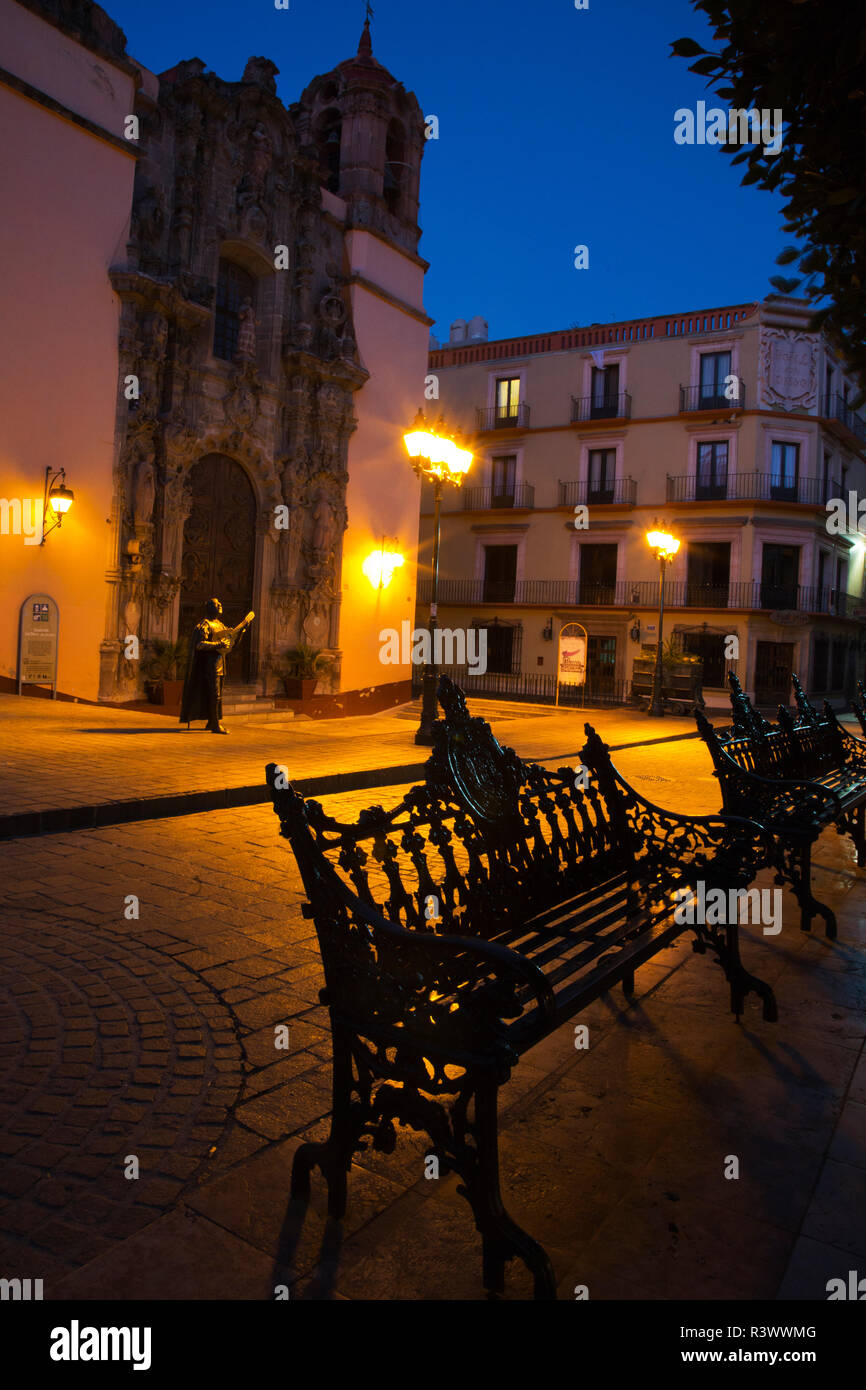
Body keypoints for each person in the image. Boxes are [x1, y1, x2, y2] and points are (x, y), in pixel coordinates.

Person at [179, 599, 254, 734]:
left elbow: (230, 645)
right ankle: (215, 724)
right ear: (208, 608)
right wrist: (218, 645)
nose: (220, 605)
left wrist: (241, 631)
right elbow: (200, 644)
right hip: (209, 665)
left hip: (220, 663)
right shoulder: (204, 625)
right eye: (216, 603)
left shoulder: (220, 625)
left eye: (220, 603)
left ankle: (211, 721)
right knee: (214, 694)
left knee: (217, 695)